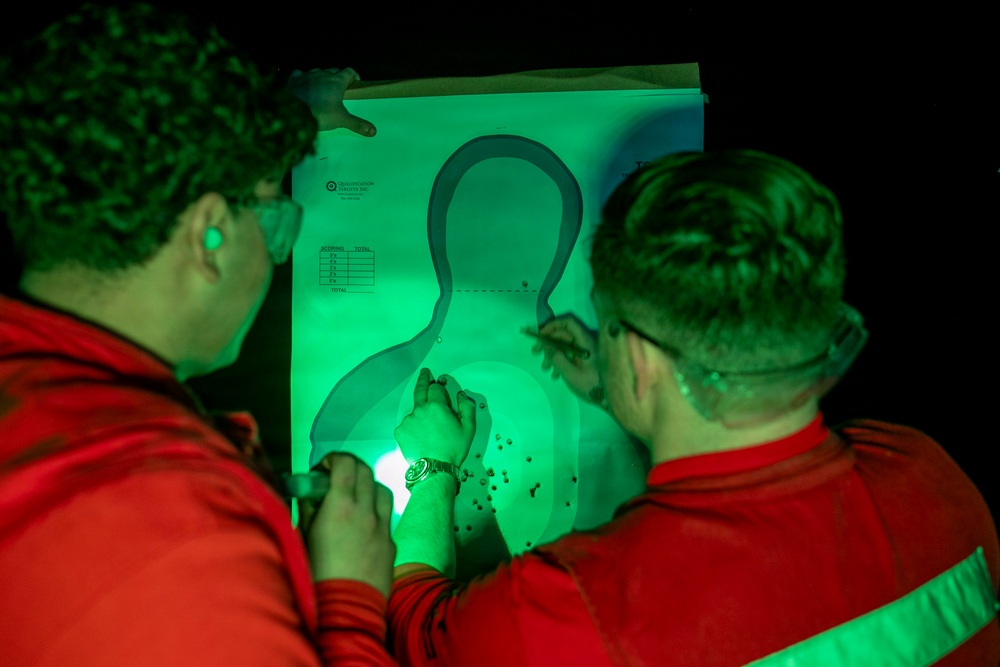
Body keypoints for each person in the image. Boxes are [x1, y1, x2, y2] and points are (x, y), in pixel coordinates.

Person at [386, 150, 1000, 665]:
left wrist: (434, 472)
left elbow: (413, 627)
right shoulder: (926, 472)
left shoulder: (576, 604)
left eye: (611, 324)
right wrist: (616, 384)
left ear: (645, 362)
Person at [0, 5, 397, 665]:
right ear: (209, 233)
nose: (274, 256)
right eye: (275, 225)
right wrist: (349, 604)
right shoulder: (180, 533)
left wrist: (279, 123)